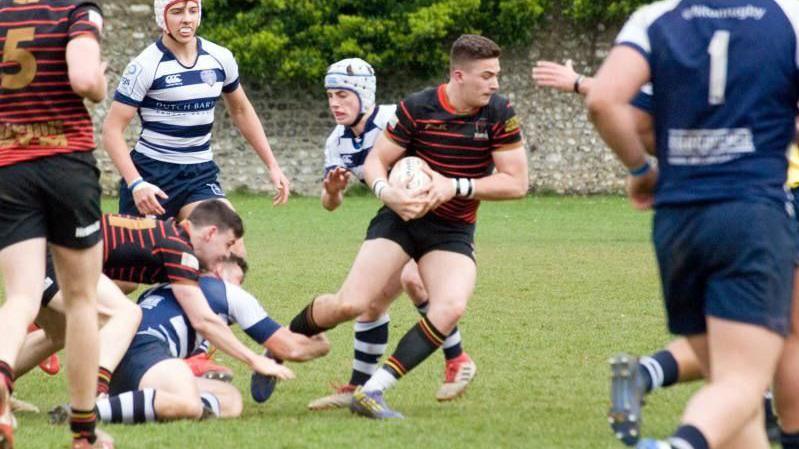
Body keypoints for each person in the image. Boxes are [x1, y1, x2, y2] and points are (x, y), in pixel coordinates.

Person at [586, 1, 799, 448]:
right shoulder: (789, 18)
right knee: (743, 382)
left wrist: (642, 171)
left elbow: (605, 101)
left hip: (678, 221)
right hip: (752, 214)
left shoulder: (656, 17)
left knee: (729, 391)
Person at [287, 34, 529, 419]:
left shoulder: (497, 112)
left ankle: (374, 390)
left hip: (450, 228)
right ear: (459, 75)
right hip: (400, 218)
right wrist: (383, 192)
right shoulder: (412, 109)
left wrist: (455, 186)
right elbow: (373, 166)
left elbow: (517, 182)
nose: (495, 83)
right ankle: (281, 342)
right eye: (487, 75)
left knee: (446, 303)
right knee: (355, 303)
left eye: (343, 95)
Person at [302, 57, 476, 411]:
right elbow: (329, 204)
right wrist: (334, 191)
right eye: (330, 96)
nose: (335, 103)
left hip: (440, 219)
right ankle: (359, 387)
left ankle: (457, 360)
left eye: (343, 95)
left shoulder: (394, 119)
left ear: (364, 95)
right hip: (398, 220)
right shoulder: (337, 142)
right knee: (372, 304)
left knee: (414, 280)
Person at [0, 1, 111, 447]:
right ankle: (84, 432)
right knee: (82, 301)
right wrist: (101, 80)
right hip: (66, 164)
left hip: (8, 168)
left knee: (22, 296)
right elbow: (84, 80)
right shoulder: (74, 9)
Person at [54, 256, 329, 424]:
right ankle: (89, 412)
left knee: (231, 400)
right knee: (189, 402)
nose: (239, 287)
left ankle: (145, 406)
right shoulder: (225, 292)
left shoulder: (165, 287)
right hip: (143, 352)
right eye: (238, 279)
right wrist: (319, 344)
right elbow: (290, 346)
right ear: (219, 268)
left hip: (115, 363)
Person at [102, 0, 290, 222]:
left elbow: (241, 111)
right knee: (143, 256)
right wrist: (136, 183)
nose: (187, 19)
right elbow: (111, 130)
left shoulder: (220, 58)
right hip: (152, 174)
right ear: (162, 17)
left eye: (193, 11)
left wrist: (273, 165)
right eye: (177, 12)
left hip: (199, 174)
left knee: (225, 238)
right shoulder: (144, 66)